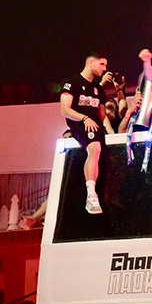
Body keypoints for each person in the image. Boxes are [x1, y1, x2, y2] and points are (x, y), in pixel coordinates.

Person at [60, 53, 111, 215]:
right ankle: (91, 195)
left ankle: (100, 195)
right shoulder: (73, 83)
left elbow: (102, 114)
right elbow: (65, 110)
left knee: (105, 160)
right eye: (102, 64)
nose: (104, 68)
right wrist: (84, 118)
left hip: (96, 126)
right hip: (80, 124)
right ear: (90, 62)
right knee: (94, 148)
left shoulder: (99, 89)